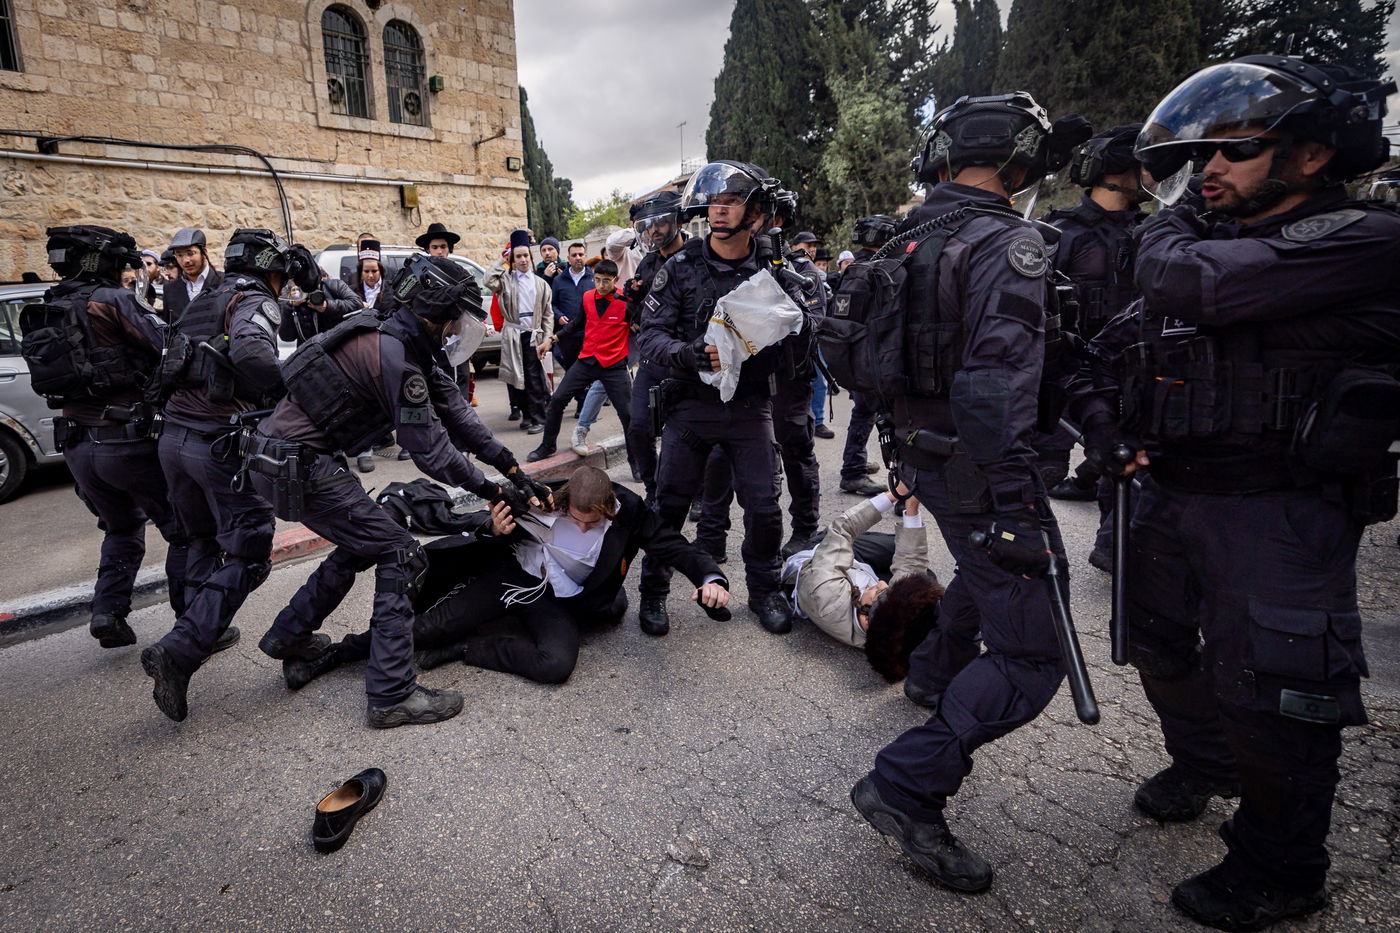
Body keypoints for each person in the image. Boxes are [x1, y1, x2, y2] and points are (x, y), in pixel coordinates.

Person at [1069, 56, 1398, 930]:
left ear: (1313, 154)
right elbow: (1101, 356)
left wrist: (1173, 215)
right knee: (1154, 638)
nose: (1208, 168)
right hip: (1170, 492)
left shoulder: (1365, 238)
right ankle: (1204, 760)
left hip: (1281, 507)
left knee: (1274, 683)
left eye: (1236, 149)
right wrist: (1105, 430)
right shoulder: (1206, 240)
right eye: (1200, 154)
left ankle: (1280, 864)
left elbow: (1197, 286)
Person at [849, 91, 1088, 894]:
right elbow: (993, 389)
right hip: (985, 469)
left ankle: (931, 672)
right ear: (1021, 164)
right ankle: (906, 785)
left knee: (984, 582)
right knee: (1034, 652)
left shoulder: (909, 239)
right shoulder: (1005, 240)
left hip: (930, 455)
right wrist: (1019, 504)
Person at [245, 253, 543, 727]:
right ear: (435, 309)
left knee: (365, 540)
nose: (455, 330)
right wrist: (492, 492)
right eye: (454, 320)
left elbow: (458, 414)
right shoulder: (396, 357)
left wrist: (512, 468)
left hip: (285, 460)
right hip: (300, 465)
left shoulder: (400, 337)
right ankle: (391, 692)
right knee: (401, 552)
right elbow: (433, 452)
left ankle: (290, 637)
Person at [317, 467, 730, 688]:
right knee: (427, 629)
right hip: (513, 576)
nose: (583, 527)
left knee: (556, 666)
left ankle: (469, 646)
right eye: (576, 518)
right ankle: (335, 654)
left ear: (609, 507)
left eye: (593, 523)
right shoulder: (533, 500)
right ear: (564, 501)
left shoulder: (630, 510)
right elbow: (473, 520)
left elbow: (672, 545)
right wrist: (494, 529)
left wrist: (710, 578)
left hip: (561, 599)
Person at [140, 228, 321, 722]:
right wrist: (294, 393)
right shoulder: (254, 299)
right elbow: (252, 354)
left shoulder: (207, 297)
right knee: (250, 550)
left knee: (199, 540)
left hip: (173, 439)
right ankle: (180, 651)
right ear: (271, 269)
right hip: (215, 443)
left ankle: (196, 629)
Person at [636, 159, 810, 636]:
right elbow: (649, 336)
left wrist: (796, 321)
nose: (718, 210)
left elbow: (810, 328)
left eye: (730, 201)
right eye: (714, 202)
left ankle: (765, 590)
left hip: (751, 407)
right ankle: (653, 592)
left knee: (764, 506)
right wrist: (688, 353)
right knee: (669, 505)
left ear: (755, 211)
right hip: (691, 406)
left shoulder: (776, 269)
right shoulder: (681, 268)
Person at [19, 225, 191, 651]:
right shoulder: (112, 300)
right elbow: (168, 346)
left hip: (77, 446)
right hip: (126, 441)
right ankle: (196, 627)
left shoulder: (53, 303)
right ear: (105, 263)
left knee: (121, 527)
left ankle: (108, 612)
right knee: (183, 530)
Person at [1038, 124, 1149, 506]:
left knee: (1125, 483)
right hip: (1067, 373)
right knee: (1040, 474)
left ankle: (1098, 503)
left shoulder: (1153, 233)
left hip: (1129, 375)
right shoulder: (1062, 232)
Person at [781, 483, 942, 682]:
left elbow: (842, 529)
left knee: (915, 568)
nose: (882, 584)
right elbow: (912, 562)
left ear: (866, 619)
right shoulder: (887, 627)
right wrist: (911, 505)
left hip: (817, 557)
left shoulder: (824, 592)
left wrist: (894, 494)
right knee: (921, 576)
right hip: (852, 572)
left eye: (878, 593)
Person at [528, 258, 634, 461]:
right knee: (557, 400)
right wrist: (551, 340)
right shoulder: (587, 297)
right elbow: (577, 323)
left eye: (606, 281)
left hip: (614, 364)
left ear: (615, 280)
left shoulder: (626, 302)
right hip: (587, 359)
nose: (601, 285)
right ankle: (547, 446)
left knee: (628, 414)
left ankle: (636, 462)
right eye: (597, 279)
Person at [622, 190, 688, 501]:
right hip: (651, 359)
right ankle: (653, 489)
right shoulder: (647, 263)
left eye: (660, 222)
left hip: (686, 360)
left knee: (690, 434)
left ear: (678, 221)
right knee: (638, 428)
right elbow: (639, 313)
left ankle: (699, 494)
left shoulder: (698, 258)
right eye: (648, 225)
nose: (654, 230)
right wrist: (633, 297)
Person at [835, 214, 900, 498]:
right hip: (875, 357)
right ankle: (854, 473)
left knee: (863, 413)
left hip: (854, 355)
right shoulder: (880, 268)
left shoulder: (855, 268)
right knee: (880, 416)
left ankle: (855, 464)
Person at [488, 230, 554, 433]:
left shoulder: (541, 284)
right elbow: (488, 281)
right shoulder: (505, 281)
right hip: (513, 335)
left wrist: (547, 338)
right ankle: (526, 416)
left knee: (533, 377)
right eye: (518, 256)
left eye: (526, 255)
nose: (523, 260)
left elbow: (547, 315)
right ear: (513, 260)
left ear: (530, 257)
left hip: (533, 336)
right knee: (517, 377)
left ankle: (539, 419)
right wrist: (501, 261)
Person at [162, 227, 222, 323]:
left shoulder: (223, 282)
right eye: (179, 255)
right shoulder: (170, 290)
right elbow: (167, 326)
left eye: (190, 253)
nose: (185, 260)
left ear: (204, 253)